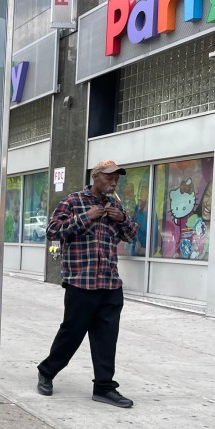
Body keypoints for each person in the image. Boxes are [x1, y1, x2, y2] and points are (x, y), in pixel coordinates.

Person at [37, 160, 138, 408]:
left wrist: (122, 218)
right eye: (109, 177)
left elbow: (131, 235)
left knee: (106, 337)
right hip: (81, 283)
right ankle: (47, 371)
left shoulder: (116, 205)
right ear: (96, 177)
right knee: (72, 334)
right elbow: (52, 231)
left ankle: (104, 387)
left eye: (116, 178)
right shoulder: (72, 202)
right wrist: (86, 217)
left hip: (110, 283)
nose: (113, 182)